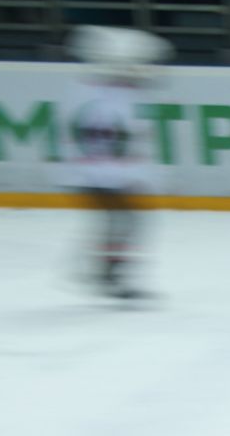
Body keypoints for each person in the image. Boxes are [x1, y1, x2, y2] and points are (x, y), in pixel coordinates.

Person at [61, 25, 170, 300]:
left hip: (96, 173)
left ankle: (103, 270)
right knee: (127, 219)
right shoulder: (112, 96)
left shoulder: (95, 90)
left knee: (119, 220)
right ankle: (107, 273)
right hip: (101, 175)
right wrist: (122, 171)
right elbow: (110, 136)